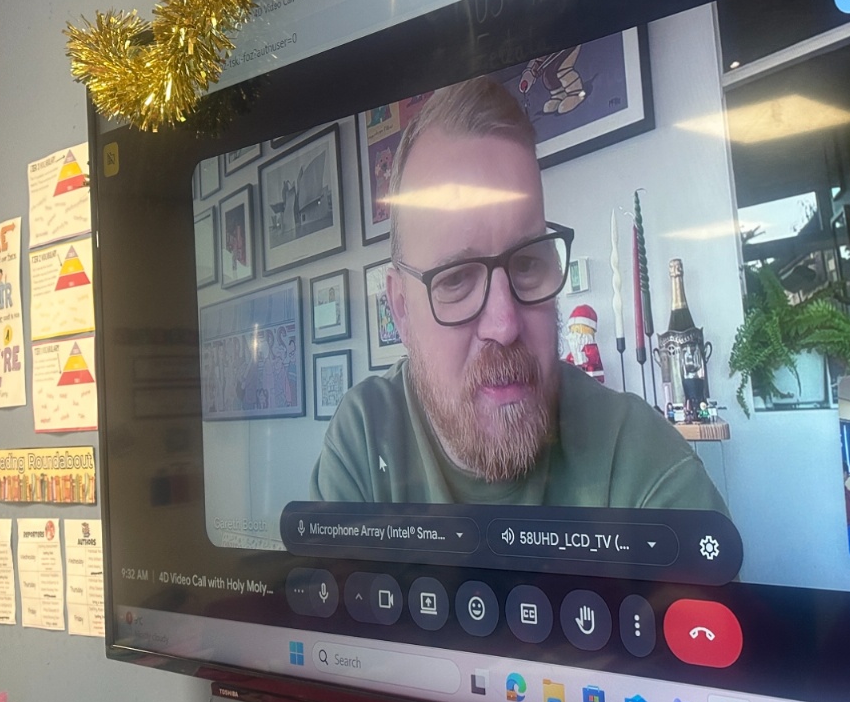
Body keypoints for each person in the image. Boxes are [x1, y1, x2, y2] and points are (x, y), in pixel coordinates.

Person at [311, 78, 727, 511]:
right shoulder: (365, 436)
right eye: (456, 279)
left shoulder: (639, 457)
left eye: (527, 264)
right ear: (400, 309)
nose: (505, 324)